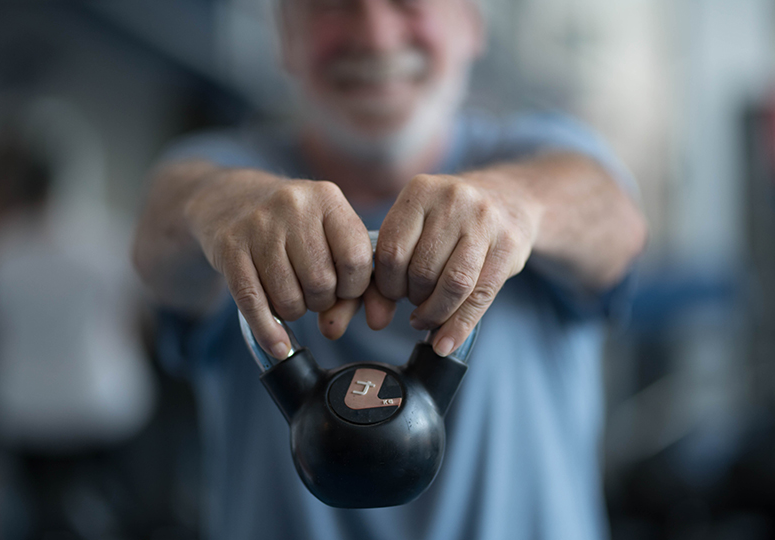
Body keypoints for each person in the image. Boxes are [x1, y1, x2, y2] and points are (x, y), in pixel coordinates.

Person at [132, 0, 647, 538]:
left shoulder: (544, 153)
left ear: (470, 25)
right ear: (286, 36)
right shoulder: (221, 169)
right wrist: (216, 204)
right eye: (333, 6)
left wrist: (520, 206)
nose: (375, 37)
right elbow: (159, 230)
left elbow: (616, 221)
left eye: (409, 3)